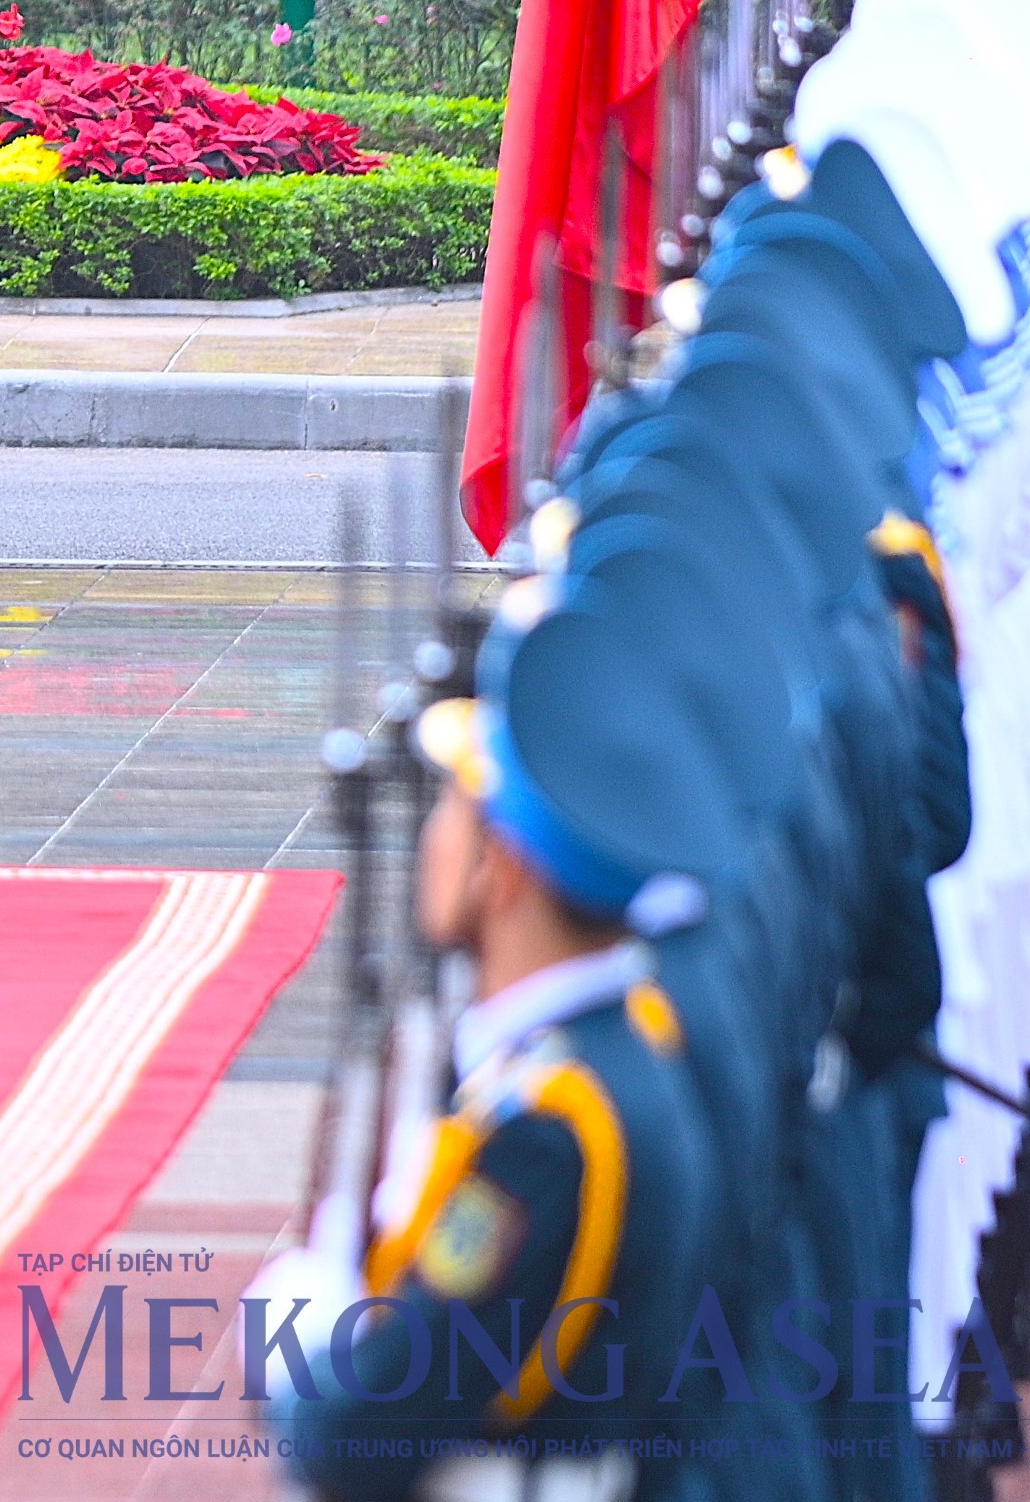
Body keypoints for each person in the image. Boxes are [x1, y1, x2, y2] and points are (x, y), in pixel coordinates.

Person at [259, 546, 747, 1497]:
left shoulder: (547, 1132)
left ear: (506, 868)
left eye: (456, 809)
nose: (433, 835)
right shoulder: (629, 1037)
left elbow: (366, 1427)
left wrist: (297, 1349)